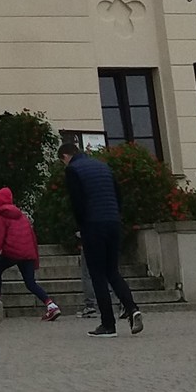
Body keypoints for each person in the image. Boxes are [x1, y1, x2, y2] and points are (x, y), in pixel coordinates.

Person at [59, 136, 143, 335]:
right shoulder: (103, 166)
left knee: (97, 274)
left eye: (62, 161)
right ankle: (132, 308)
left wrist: (81, 227)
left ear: (65, 156)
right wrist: (115, 215)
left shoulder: (73, 170)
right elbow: (118, 194)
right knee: (112, 271)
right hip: (113, 222)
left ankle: (108, 324)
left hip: (93, 224)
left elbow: (77, 202)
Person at [0, 186, 61, 321]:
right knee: (30, 283)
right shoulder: (22, 216)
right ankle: (51, 305)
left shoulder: (1, 218)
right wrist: (35, 260)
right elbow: (33, 238)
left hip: (11, 252)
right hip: (28, 253)